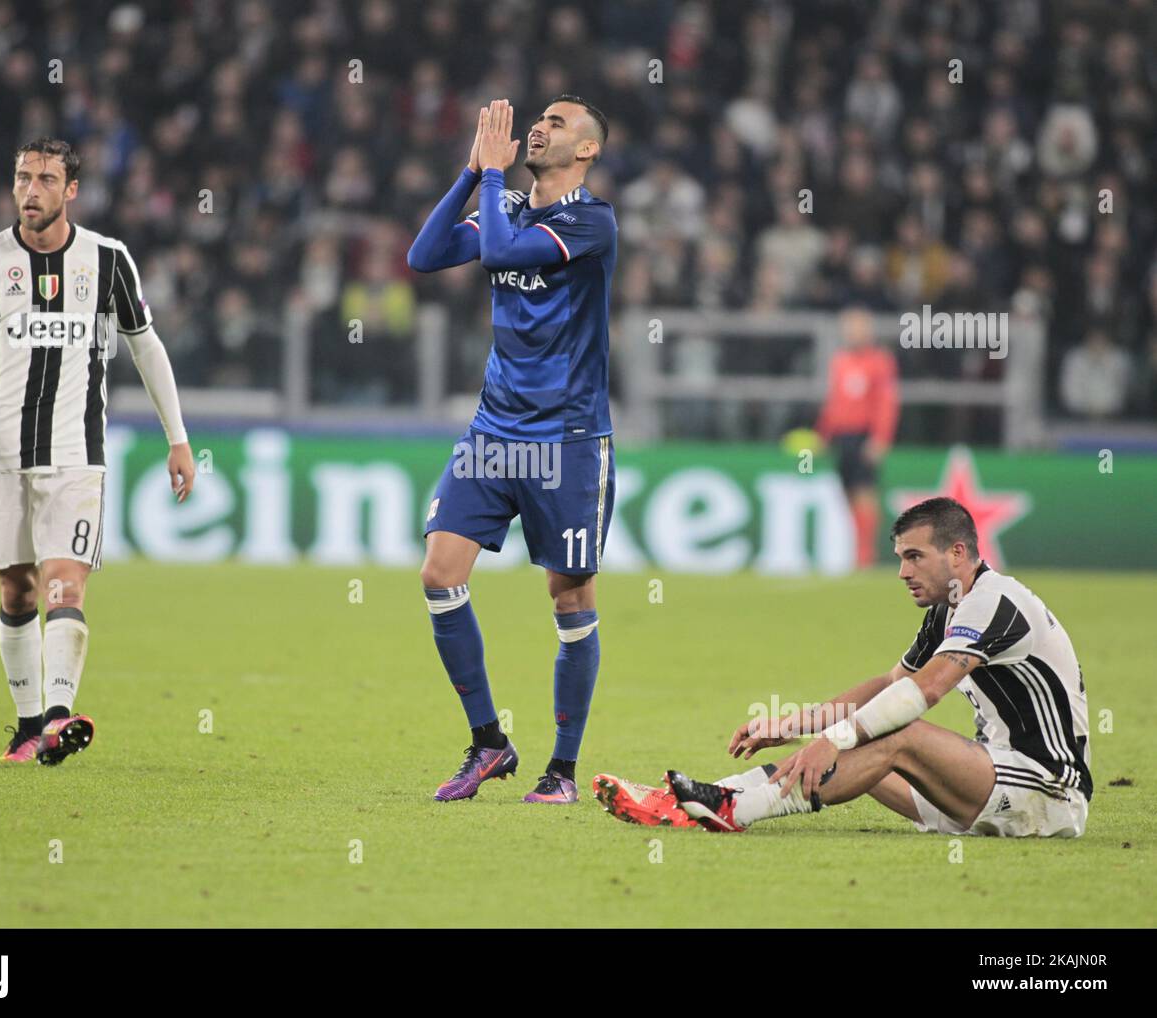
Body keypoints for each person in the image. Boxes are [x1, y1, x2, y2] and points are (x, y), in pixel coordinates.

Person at [595, 497, 1091, 838]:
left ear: (958, 552)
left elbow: (927, 691)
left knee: (898, 732)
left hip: (1047, 791)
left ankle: (734, 811)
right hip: (989, 786)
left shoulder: (995, 600)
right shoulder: (949, 608)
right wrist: (789, 727)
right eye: (900, 558)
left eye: (915, 557)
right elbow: (889, 686)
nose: (903, 572)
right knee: (878, 729)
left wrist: (834, 739)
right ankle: (701, 798)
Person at [0, 137, 195, 765]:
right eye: (23, 177)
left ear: (71, 189)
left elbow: (146, 346)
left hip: (78, 454)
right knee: (16, 590)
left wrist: (178, 437)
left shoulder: (108, 260)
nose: (31, 191)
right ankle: (28, 725)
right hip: (0, 454)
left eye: (47, 179)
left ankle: (57, 716)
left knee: (64, 582)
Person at [407, 96, 618, 803]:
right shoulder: (511, 208)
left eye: (558, 123)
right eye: (541, 119)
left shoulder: (591, 221)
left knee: (570, 598)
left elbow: (497, 252)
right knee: (439, 572)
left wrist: (494, 180)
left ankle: (561, 771)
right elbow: (426, 254)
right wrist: (472, 173)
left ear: (586, 150)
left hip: (568, 440)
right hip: (495, 433)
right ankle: (490, 743)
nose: (540, 126)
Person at [815, 306, 899, 568]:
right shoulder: (839, 361)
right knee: (847, 493)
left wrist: (880, 438)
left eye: (858, 327)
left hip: (865, 435)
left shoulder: (880, 362)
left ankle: (866, 553)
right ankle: (857, 549)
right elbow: (833, 403)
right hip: (842, 436)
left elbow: (886, 403)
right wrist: (822, 434)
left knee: (864, 492)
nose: (853, 333)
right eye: (849, 328)